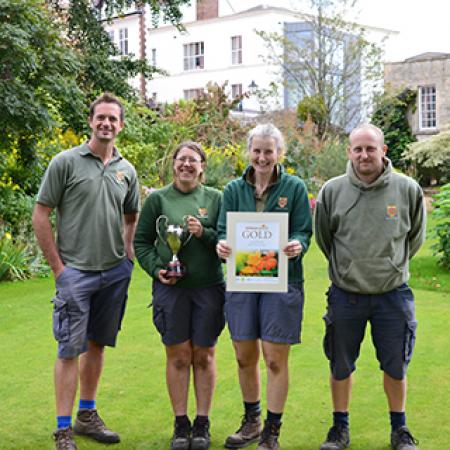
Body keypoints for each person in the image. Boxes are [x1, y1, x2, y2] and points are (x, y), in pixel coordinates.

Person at [33, 93, 140, 450]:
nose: (106, 123)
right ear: (91, 121)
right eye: (101, 118)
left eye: (113, 119)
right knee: (68, 350)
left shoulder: (127, 170)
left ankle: (87, 415)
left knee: (97, 345)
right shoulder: (66, 162)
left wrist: (127, 256)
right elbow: (41, 213)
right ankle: (63, 429)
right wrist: (59, 270)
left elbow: (131, 216)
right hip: (75, 273)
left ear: (121, 125)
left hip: (113, 273)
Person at [315, 123, 426, 450]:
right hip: (345, 295)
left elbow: (414, 238)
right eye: (358, 149)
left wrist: (392, 265)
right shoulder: (332, 191)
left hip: (393, 295)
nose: (364, 155)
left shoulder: (407, 189)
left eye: (370, 148)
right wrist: (347, 269)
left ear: (383, 150)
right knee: (340, 363)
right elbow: (325, 239)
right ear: (349, 152)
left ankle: (399, 429)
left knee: (395, 364)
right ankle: (339, 429)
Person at [216, 123, 312, 450]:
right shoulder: (232, 190)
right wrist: (222, 245)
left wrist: (298, 244)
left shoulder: (295, 188)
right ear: (249, 152)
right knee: (244, 356)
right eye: (256, 150)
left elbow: (303, 231)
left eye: (268, 151)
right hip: (242, 282)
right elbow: (222, 230)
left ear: (278, 153)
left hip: (282, 281)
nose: (262, 157)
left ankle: (272, 430)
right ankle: (251, 420)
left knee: (274, 359)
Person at [134, 141, 225, 450]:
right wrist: (155, 268)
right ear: (173, 164)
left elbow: (226, 242)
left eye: (193, 160)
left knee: (204, 354)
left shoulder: (215, 199)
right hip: (170, 290)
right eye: (181, 159)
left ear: (202, 167)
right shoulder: (157, 200)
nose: (187, 165)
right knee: (178, 356)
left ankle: (202, 423)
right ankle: (180, 423)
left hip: (209, 288)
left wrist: (205, 233)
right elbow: (142, 242)